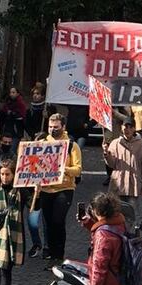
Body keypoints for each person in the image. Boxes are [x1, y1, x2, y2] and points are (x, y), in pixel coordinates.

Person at [35, 113, 82, 265]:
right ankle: (49, 251)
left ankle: (58, 254)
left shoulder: (71, 146)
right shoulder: (42, 143)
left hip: (65, 188)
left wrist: (63, 169)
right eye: (50, 127)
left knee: (58, 221)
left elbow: (78, 169)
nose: (52, 130)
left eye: (56, 127)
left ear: (63, 127)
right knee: (47, 222)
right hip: (46, 190)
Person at [102, 118, 142, 220]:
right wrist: (107, 154)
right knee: (114, 215)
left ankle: (131, 235)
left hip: (133, 186)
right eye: (125, 127)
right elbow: (112, 164)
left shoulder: (141, 144)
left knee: (132, 216)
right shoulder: (115, 143)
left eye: (130, 127)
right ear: (121, 128)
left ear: (134, 129)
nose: (127, 129)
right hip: (118, 185)